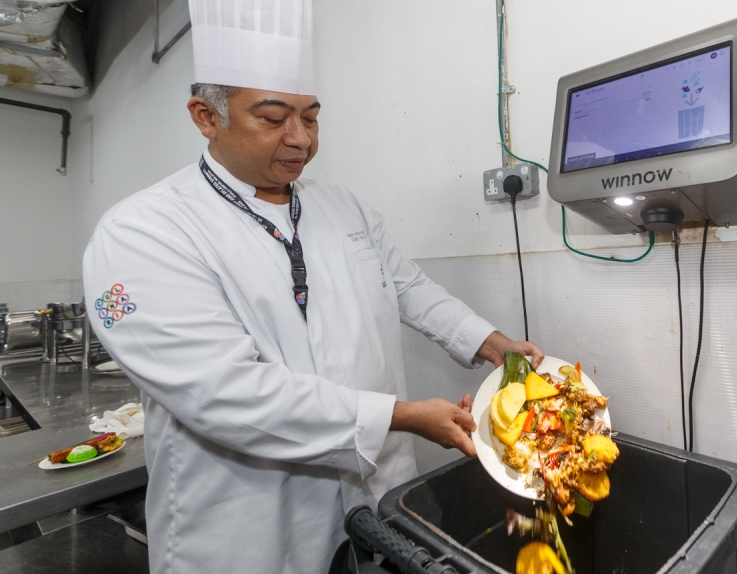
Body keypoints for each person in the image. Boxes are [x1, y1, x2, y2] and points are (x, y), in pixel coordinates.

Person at [83, 83, 543, 573]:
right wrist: (402, 416)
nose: (300, 139)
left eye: (311, 118)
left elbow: (407, 286)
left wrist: (493, 344)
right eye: (274, 119)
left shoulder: (342, 206)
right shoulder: (144, 229)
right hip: (250, 526)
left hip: (376, 498)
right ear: (206, 117)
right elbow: (224, 391)